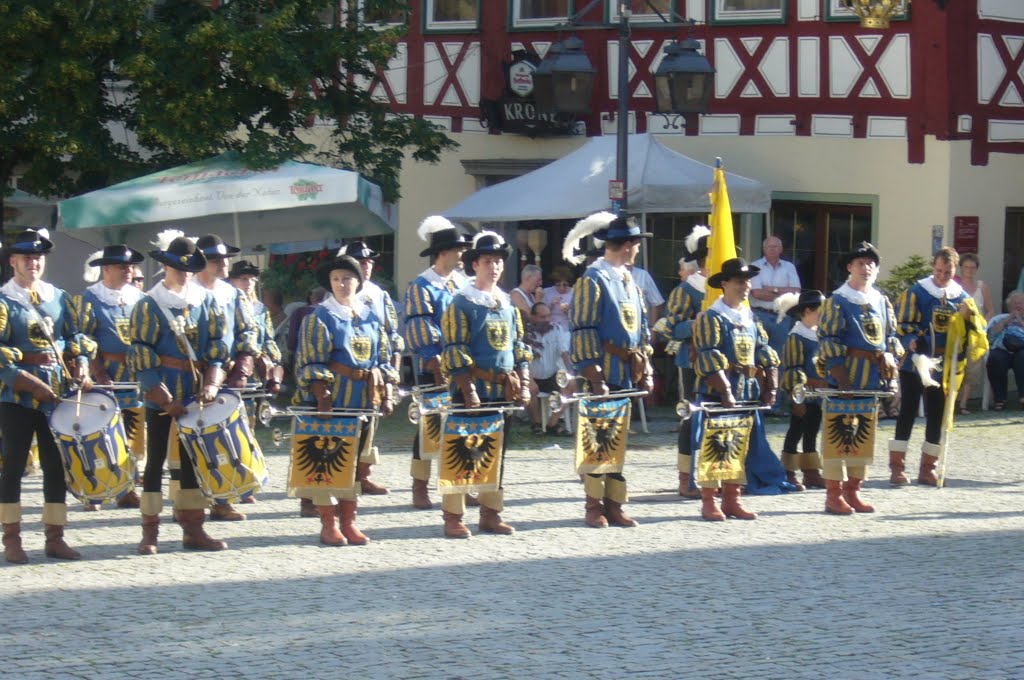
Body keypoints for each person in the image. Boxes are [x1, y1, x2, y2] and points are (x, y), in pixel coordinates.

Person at [0, 228, 95, 564]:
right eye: (27, 257)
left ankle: (55, 536)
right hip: (18, 396)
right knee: (13, 466)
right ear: (13, 261)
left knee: (57, 466)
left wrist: (81, 364)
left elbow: (75, 336)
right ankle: (12, 539)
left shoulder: (58, 297)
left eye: (38, 257)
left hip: (57, 394)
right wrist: (25, 376)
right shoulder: (4, 301)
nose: (34, 262)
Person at [131, 230, 228, 554]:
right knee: (156, 459)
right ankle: (150, 531)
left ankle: (193, 528)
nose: (183, 274)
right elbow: (142, 353)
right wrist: (163, 398)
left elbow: (216, 347)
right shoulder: (149, 304)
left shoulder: (206, 302)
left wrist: (212, 382)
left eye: (188, 269)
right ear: (166, 267)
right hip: (162, 389)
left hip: (196, 390)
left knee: (192, 460)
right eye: (177, 268)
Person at [293, 253, 398, 546]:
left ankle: (349, 520)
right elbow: (311, 362)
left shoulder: (369, 316)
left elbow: (385, 356)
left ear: (358, 282)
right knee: (327, 462)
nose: (341, 284)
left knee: (354, 465)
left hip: (363, 401)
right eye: (336, 279)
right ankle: (328, 523)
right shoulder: (320, 317)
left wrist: (385, 388)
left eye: (347, 279)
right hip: (333, 401)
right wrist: (322, 398)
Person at [564, 211, 653, 529]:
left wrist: (646, 366)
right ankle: (593, 506)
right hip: (601, 373)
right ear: (627, 245)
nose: (638, 249)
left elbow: (642, 329)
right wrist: (594, 375)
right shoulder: (593, 279)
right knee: (596, 438)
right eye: (637, 244)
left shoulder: (629, 280)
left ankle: (614, 504)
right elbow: (583, 328)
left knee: (617, 440)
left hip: (626, 373)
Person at [439, 231, 531, 538]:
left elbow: (519, 346)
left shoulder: (506, 304)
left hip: (501, 391)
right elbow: (454, 348)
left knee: (497, 452)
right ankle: (453, 516)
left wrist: (525, 382)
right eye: (487, 261)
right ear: (474, 265)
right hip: (471, 392)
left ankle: (491, 513)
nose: (493, 267)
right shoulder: (461, 304)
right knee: (462, 451)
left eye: (497, 261)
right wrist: (468, 389)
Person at [689, 257, 778, 521]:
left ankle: (732, 498)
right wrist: (726, 391)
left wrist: (770, 386)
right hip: (718, 392)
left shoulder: (750, 318)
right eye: (740, 281)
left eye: (747, 281)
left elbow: (763, 350)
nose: (745, 286)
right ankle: (709, 500)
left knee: (739, 444)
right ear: (725, 284)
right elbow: (708, 355)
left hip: (746, 392)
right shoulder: (713, 318)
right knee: (716, 444)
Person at [818, 242, 902, 514]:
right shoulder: (838, 301)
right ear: (849, 267)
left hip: (873, 378)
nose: (866, 268)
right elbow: (829, 339)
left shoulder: (881, 301)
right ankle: (833, 494)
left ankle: (853, 490)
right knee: (837, 435)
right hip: (846, 376)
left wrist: (891, 360)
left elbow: (890, 337)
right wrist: (841, 377)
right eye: (860, 263)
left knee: (862, 437)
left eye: (871, 264)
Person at [892, 247, 985, 487]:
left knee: (936, 414)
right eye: (939, 270)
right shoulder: (917, 292)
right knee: (908, 410)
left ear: (954, 270)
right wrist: (910, 339)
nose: (942, 275)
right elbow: (902, 323)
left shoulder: (961, 296)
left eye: (947, 271)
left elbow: (972, 329)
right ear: (933, 267)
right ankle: (897, 467)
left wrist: (967, 316)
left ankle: (928, 467)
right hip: (916, 361)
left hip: (943, 363)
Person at [403, 216, 470, 510]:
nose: (462, 254)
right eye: (458, 249)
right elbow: (419, 326)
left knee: (462, 425)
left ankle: (460, 482)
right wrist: (434, 359)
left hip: (463, 367)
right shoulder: (422, 286)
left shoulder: (462, 283)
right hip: (435, 367)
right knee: (429, 427)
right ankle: (420, 485)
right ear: (444, 252)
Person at [194, 234, 259, 519]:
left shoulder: (233, 294)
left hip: (228, 373)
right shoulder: (189, 292)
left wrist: (242, 370)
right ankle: (190, 503)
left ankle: (224, 497)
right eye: (216, 259)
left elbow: (247, 332)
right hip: (194, 373)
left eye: (225, 258)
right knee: (194, 440)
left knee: (227, 438)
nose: (224, 263)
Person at [79, 245, 147, 511]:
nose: (128, 271)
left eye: (130, 266)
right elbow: (85, 337)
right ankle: (95, 489)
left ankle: (126, 487)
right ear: (106, 269)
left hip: (134, 374)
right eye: (122, 266)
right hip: (105, 372)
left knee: (131, 431)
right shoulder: (91, 298)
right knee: (100, 432)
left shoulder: (139, 297)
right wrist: (97, 372)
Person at [338, 239, 403, 495]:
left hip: (375, 367)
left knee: (371, 422)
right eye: (361, 261)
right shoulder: (337, 293)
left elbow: (391, 333)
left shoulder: (379, 294)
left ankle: (364, 474)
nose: (367, 266)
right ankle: (341, 473)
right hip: (346, 369)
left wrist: (391, 376)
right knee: (345, 422)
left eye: (369, 261)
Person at [656, 225, 708, 498]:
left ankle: (718, 475)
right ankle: (686, 478)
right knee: (691, 418)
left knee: (720, 417)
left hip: (724, 364)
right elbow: (670, 328)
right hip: (692, 361)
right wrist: (693, 324)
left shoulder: (728, 288)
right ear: (705, 260)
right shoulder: (686, 290)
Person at [778, 290, 828, 491]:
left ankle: (811, 472)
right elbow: (793, 368)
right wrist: (797, 397)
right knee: (796, 429)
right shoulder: (796, 336)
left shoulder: (819, 335)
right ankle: (788, 471)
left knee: (812, 431)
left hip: (816, 395)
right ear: (808, 311)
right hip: (801, 393)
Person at [227, 260, 284, 395]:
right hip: (235, 369)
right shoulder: (227, 305)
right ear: (232, 281)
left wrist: (273, 364)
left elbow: (268, 339)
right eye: (243, 279)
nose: (248, 284)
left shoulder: (261, 309)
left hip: (258, 369)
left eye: (252, 280)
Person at [524, 302, 572, 436]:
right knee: (528, 389)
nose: (546, 320)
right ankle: (537, 424)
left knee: (571, 385)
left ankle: (553, 423)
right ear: (532, 317)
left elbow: (564, 353)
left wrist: (570, 373)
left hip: (551, 374)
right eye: (542, 317)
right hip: (531, 375)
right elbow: (521, 359)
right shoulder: (524, 333)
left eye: (548, 316)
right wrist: (529, 380)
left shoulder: (556, 329)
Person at [750, 236, 802, 356]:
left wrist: (771, 289)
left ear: (781, 249)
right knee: (757, 354)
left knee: (779, 357)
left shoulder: (789, 267)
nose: (772, 249)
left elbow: (796, 293)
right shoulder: (754, 266)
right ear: (764, 249)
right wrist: (783, 293)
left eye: (775, 246)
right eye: (769, 246)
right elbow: (757, 293)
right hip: (759, 315)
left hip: (782, 317)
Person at [956, 253, 994, 414]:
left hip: (975, 333)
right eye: (966, 267)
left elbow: (991, 310)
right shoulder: (955, 285)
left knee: (972, 367)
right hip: (958, 331)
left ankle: (963, 404)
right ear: (961, 268)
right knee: (955, 366)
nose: (969, 270)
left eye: (972, 267)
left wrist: (982, 325)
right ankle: (950, 401)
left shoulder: (981, 287)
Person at [985, 290, 1024, 410]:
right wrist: (1007, 320)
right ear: (1009, 306)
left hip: (1021, 349)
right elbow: (990, 336)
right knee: (995, 358)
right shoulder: (1000, 318)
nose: (1018, 306)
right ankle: (1000, 398)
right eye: (1015, 303)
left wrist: (1020, 321)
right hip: (1002, 349)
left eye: (1021, 303)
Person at [542, 264, 575, 330]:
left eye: (565, 285)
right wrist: (551, 305)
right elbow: (541, 314)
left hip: (567, 328)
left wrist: (569, 311)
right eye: (558, 285)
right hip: (550, 328)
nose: (562, 288)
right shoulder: (547, 292)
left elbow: (578, 317)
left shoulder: (574, 293)